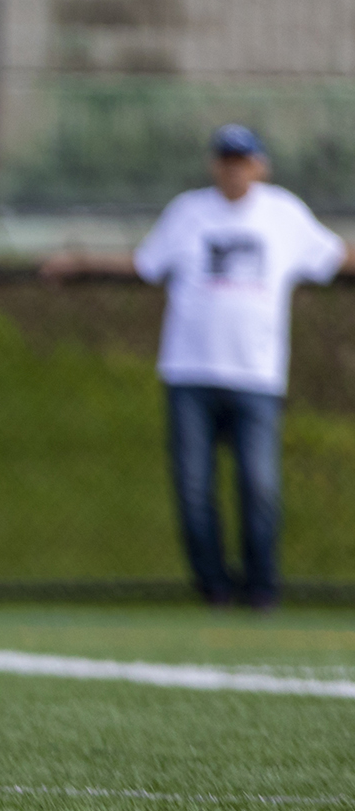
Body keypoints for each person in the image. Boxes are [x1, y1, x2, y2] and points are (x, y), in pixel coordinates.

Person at [44, 125, 349, 610]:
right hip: (189, 372)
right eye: (225, 159)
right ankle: (214, 588)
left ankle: (262, 586)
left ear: (259, 166)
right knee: (192, 488)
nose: (233, 168)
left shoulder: (283, 214)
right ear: (214, 165)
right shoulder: (189, 212)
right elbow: (145, 264)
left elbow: (335, 257)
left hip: (256, 374)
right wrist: (80, 262)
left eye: (242, 159)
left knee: (259, 486)